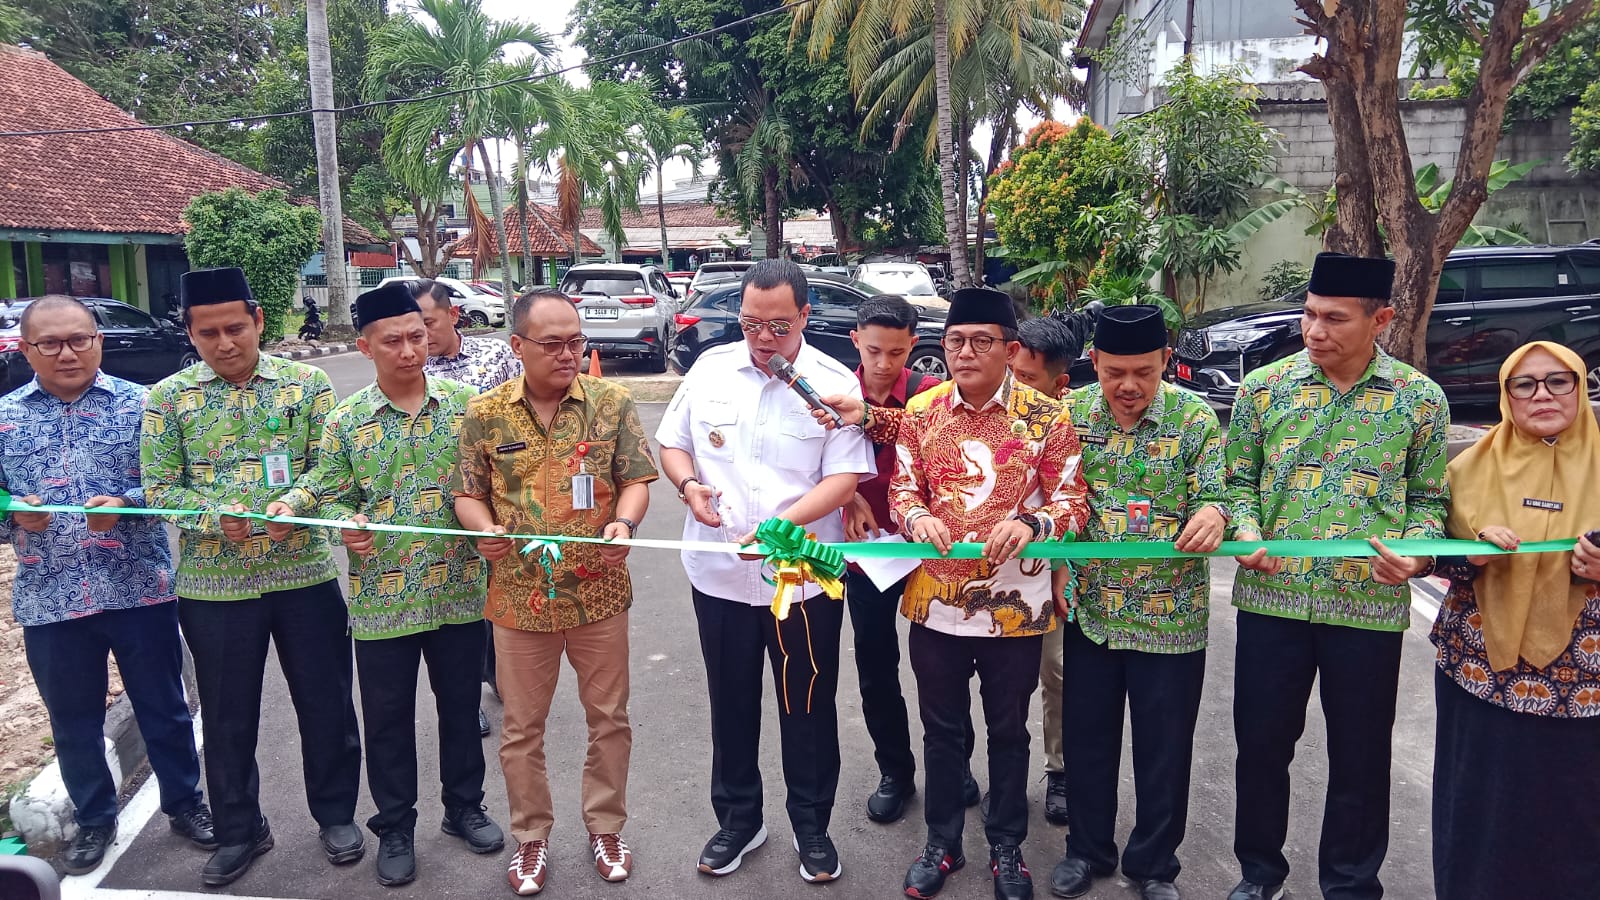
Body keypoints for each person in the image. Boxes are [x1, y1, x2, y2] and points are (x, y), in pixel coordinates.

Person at [844, 286, 1091, 900]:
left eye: (983, 342)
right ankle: (942, 843)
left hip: (1016, 605)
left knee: (1009, 729)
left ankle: (1007, 847)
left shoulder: (1047, 417)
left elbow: (1072, 501)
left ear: (1010, 351)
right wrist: (913, 517)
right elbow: (901, 488)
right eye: (956, 341)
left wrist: (1033, 523)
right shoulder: (923, 413)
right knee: (942, 728)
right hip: (937, 605)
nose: (966, 352)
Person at [1224, 252, 1449, 900]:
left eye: (1334, 319)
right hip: (1273, 599)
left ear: (1381, 319)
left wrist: (1418, 553)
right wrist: (1244, 529)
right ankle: (1259, 873)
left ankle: (1351, 883)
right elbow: (1239, 483)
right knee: (1262, 748)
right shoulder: (1263, 389)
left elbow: (1430, 501)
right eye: (1309, 314)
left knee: (1360, 756)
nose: (1314, 331)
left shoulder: (1420, 400)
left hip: (1368, 608)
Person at [264, 282, 504, 887]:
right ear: (366, 347)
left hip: (457, 590)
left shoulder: (467, 407)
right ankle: (395, 824)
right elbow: (332, 489)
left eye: (417, 336)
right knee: (388, 717)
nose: (409, 351)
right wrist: (340, 522)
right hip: (383, 600)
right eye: (393, 341)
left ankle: (464, 807)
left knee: (460, 707)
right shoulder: (348, 421)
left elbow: (493, 483)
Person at [141, 267, 364, 888]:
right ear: (190, 333)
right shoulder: (168, 399)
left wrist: (293, 505)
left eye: (235, 327)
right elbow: (160, 491)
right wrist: (216, 519)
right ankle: (240, 829)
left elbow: (331, 469)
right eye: (207, 332)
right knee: (228, 712)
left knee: (324, 702)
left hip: (304, 575)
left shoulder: (308, 384)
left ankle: (336, 815)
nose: (224, 343)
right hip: (214, 586)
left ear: (259, 319)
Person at [656, 259, 872, 885]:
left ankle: (812, 826)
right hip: (719, 573)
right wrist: (689, 485)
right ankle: (738, 820)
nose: (762, 338)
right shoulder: (711, 369)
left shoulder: (832, 384)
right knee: (731, 703)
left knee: (805, 705)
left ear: (805, 316)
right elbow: (673, 442)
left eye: (778, 326)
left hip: (801, 581)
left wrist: (783, 529)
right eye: (751, 323)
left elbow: (843, 479)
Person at [453, 289, 657, 896]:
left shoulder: (611, 402)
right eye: (552, 343)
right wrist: (483, 529)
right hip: (518, 597)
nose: (568, 354)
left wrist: (625, 522)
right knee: (521, 728)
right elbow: (468, 492)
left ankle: (605, 827)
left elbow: (636, 479)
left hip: (596, 592)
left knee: (609, 720)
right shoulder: (485, 413)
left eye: (575, 341)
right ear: (518, 346)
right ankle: (531, 840)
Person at [0, 296, 213, 876]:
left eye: (78, 339)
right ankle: (95, 820)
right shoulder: (5, 418)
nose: (66, 352)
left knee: (164, 705)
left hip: (139, 588)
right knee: (73, 719)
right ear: (26, 349)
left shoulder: (145, 407)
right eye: (50, 343)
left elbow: (177, 486)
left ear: (99, 340)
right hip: (52, 595)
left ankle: (185, 803)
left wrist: (128, 504)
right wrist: (15, 516)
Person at [1048, 306, 1227, 900]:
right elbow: (1049, 496)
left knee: (1165, 749)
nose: (1130, 387)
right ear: (1093, 362)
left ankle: (1153, 864)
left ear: (1165, 364)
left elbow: (1218, 493)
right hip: (1092, 610)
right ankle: (1086, 850)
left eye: (1145, 373)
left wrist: (1214, 513)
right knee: (1088, 740)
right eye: (1116, 371)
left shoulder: (1196, 419)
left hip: (1171, 617)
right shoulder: (1068, 417)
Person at [1430, 341, 1600, 899]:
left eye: (1559, 380)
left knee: (1576, 811)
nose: (1542, 394)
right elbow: (1429, 552)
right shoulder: (1468, 468)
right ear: (1505, 395)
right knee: (1485, 804)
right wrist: (1471, 552)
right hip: (1482, 675)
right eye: (1524, 384)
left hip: (1584, 685)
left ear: (1580, 386)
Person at [840, 294, 974, 825]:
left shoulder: (931, 396)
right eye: (874, 350)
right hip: (864, 558)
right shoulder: (834, 392)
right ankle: (894, 770)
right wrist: (846, 493)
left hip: (929, 554)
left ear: (913, 345)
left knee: (945, 668)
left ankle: (957, 766)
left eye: (896, 352)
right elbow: (807, 462)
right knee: (875, 667)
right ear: (856, 341)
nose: (884, 363)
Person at [417, 277, 522, 738]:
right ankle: (465, 697)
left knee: (498, 589)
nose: (419, 336)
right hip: (437, 503)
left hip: (497, 495)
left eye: (427, 324)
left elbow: (524, 408)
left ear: (453, 315)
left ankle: (498, 672)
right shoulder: (411, 367)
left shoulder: (494, 356)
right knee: (458, 605)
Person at [1010, 312, 1094, 828]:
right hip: (988, 578)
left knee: (1057, 675)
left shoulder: (1075, 423)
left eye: (1026, 379)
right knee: (996, 683)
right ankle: (994, 772)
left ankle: (1060, 769)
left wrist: (1064, 565)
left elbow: (1077, 502)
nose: (1012, 386)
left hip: (1052, 572)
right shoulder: (978, 409)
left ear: (1060, 384)